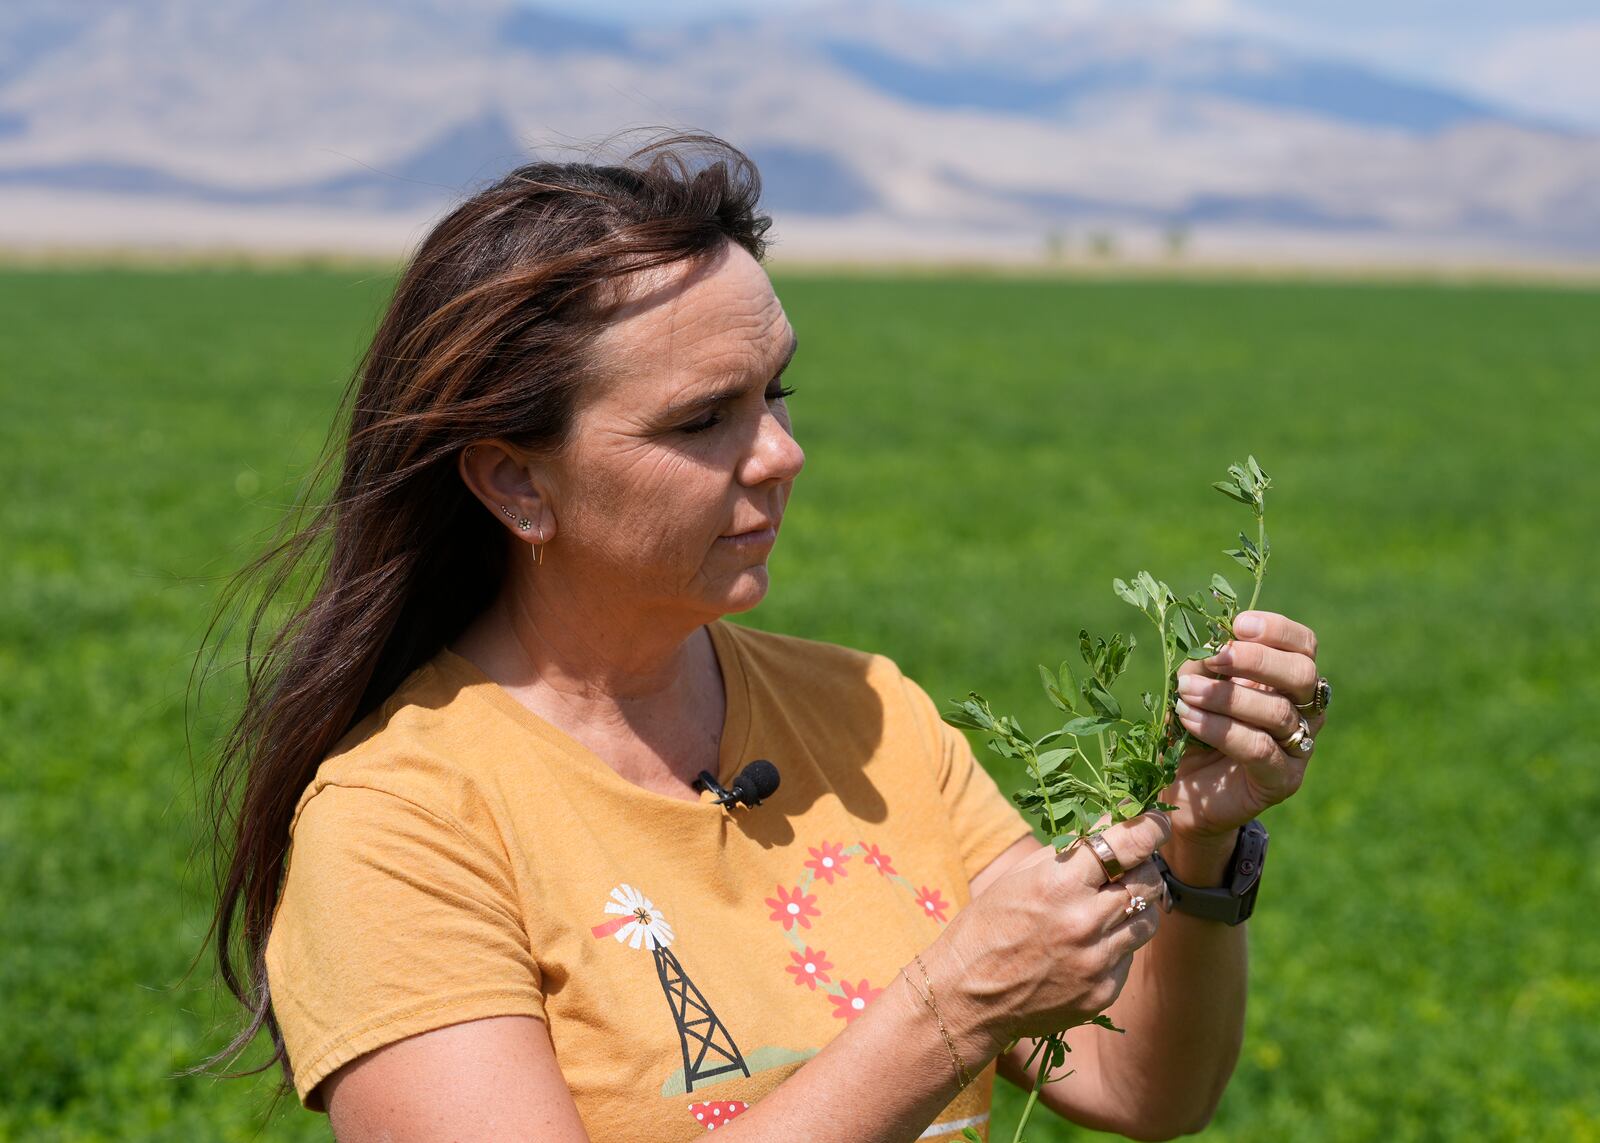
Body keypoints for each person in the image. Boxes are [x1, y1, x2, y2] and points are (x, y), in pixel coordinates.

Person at [193, 132, 1328, 1142]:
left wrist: (1196, 847)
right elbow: (972, 1000)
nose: (781, 453)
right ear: (513, 483)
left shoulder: (872, 716)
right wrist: (950, 1007)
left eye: (775, 392)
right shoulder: (402, 823)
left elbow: (1141, 1092)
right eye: (703, 419)